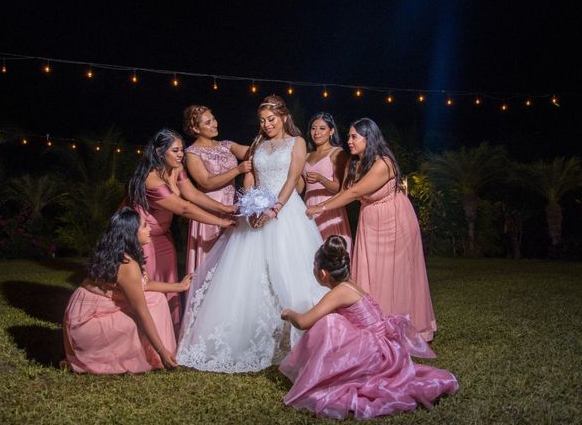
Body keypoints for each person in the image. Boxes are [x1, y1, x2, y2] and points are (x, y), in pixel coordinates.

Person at [176, 95, 328, 373]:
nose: (267, 124)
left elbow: (294, 178)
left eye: (271, 119)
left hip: (286, 210)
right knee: (250, 276)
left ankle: (297, 335)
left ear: (283, 117)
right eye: (262, 121)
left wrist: (275, 208)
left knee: (290, 269)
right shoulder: (258, 144)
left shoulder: (297, 142)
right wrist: (251, 206)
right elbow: (251, 177)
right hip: (258, 211)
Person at [279, 235, 458, 420]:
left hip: (374, 352)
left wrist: (288, 313)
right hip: (388, 348)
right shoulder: (350, 285)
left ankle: (317, 375)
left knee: (330, 324)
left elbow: (304, 322)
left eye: (314, 268)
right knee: (335, 322)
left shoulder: (340, 292)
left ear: (323, 273)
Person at [306, 118, 436, 341]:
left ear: (369, 137)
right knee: (369, 271)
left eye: (354, 137)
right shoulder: (353, 163)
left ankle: (404, 325)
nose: (349, 141)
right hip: (370, 220)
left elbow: (354, 193)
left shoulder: (383, 163)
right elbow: (343, 192)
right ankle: (373, 322)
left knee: (398, 273)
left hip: (395, 219)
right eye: (348, 136)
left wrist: (321, 206)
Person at [127, 128, 237, 335]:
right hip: (143, 240)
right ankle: (145, 336)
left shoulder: (175, 169)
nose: (180, 155)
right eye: (175, 151)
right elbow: (184, 208)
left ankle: (169, 333)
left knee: (169, 286)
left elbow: (192, 194)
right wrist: (220, 222)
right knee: (149, 288)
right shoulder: (151, 179)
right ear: (160, 153)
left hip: (164, 237)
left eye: (182, 150)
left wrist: (224, 208)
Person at [62, 207, 193, 374]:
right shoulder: (127, 265)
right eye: (145, 226)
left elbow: (144, 285)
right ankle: (153, 355)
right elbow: (142, 312)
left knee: (157, 299)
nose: (150, 229)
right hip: (87, 321)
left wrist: (179, 286)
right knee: (146, 314)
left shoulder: (121, 253)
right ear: (131, 233)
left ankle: (151, 352)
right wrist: (162, 352)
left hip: (96, 308)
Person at [182, 104, 251, 274]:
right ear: (195, 128)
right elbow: (206, 182)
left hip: (232, 206)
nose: (214, 124)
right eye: (207, 122)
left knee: (230, 259)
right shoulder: (192, 153)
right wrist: (237, 170)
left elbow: (251, 151)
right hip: (209, 209)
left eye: (213, 119)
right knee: (210, 262)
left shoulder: (226, 145)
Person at [301, 112, 352, 251]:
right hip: (308, 204)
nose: (316, 132)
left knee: (330, 251)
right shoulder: (306, 155)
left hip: (329, 206)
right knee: (309, 250)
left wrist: (321, 179)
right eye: (313, 128)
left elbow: (340, 189)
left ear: (331, 131)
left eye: (322, 128)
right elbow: (300, 187)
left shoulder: (337, 153)